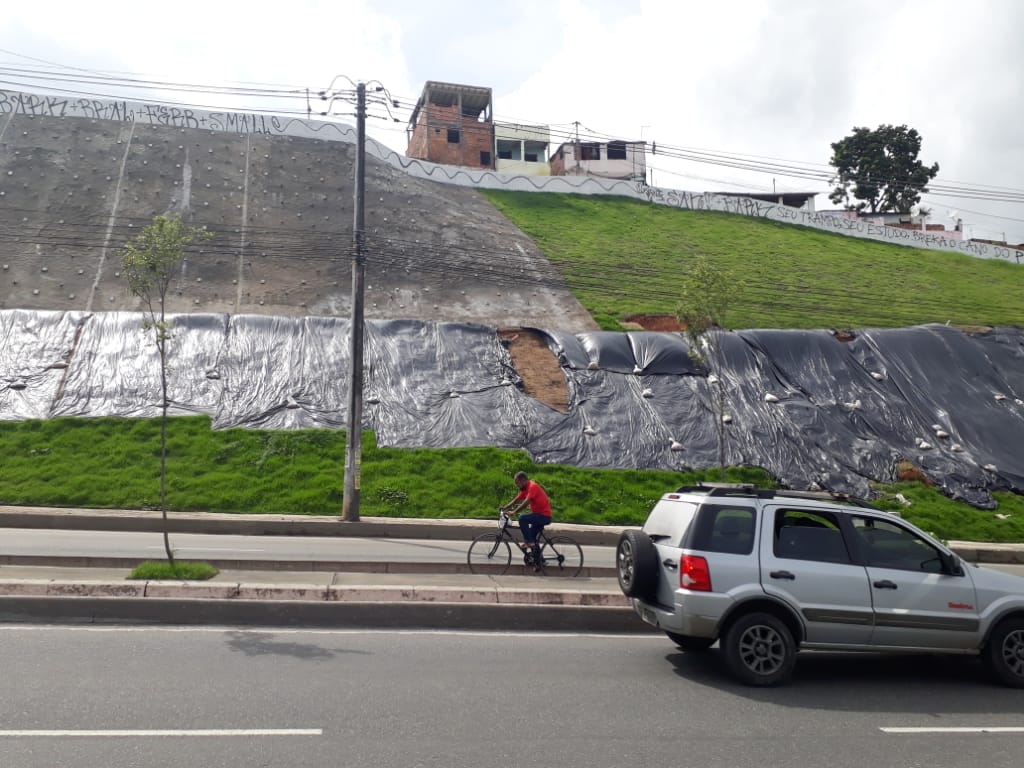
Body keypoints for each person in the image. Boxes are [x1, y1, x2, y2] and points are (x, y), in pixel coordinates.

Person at [500, 471, 552, 555]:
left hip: (544, 516)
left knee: (522, 518)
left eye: (517, 483)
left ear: (523, 481)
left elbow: (526, 502)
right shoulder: (525, 489)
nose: (517, 485)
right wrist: (505, 508)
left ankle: (529, 542)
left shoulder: (532, 486)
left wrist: (514, 512)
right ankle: (539, 561)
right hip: (538, 516)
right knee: (532, 537)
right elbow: (516, 500)